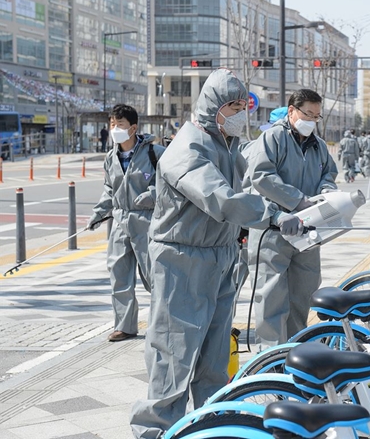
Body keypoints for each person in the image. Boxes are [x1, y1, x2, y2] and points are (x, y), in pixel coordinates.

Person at [129, 69, 301, 439]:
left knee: (214, 360)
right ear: (212, 106)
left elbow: (244, 186)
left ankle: (210, 427)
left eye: (243, 106)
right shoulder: (187, 149)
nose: (240, 113)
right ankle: (155, 431)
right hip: (182, 261)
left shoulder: (227, 146)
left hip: (220, 258)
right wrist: (271, 216)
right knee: (173, 356)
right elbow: (220, 198)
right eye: (232, 106)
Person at [243, 88, 338, 349]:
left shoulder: (318, 146)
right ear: (292, 110)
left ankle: (297, 351)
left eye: (317, 117)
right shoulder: (272, 138)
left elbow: (328, 174)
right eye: (308, 114)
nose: (312, 121)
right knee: (271, 298)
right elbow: (261, 176)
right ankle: (271, 360)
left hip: (307, 231)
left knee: (302, 296)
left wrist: (327, 192)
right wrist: (297, 200)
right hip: (273, 229)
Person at [87, 104, 165, 343]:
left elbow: (168, 184)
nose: (114, 129)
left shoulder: (155, 153)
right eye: (112, 124)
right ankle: (125, 325)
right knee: (119, 273)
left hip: (147, 221)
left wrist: (152, 194)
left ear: (133, 128)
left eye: (119, 125)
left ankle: (162, 323)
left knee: (154, 274)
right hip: (120, 220)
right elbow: (109, 189)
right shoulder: (110, 157)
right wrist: (98, 213)